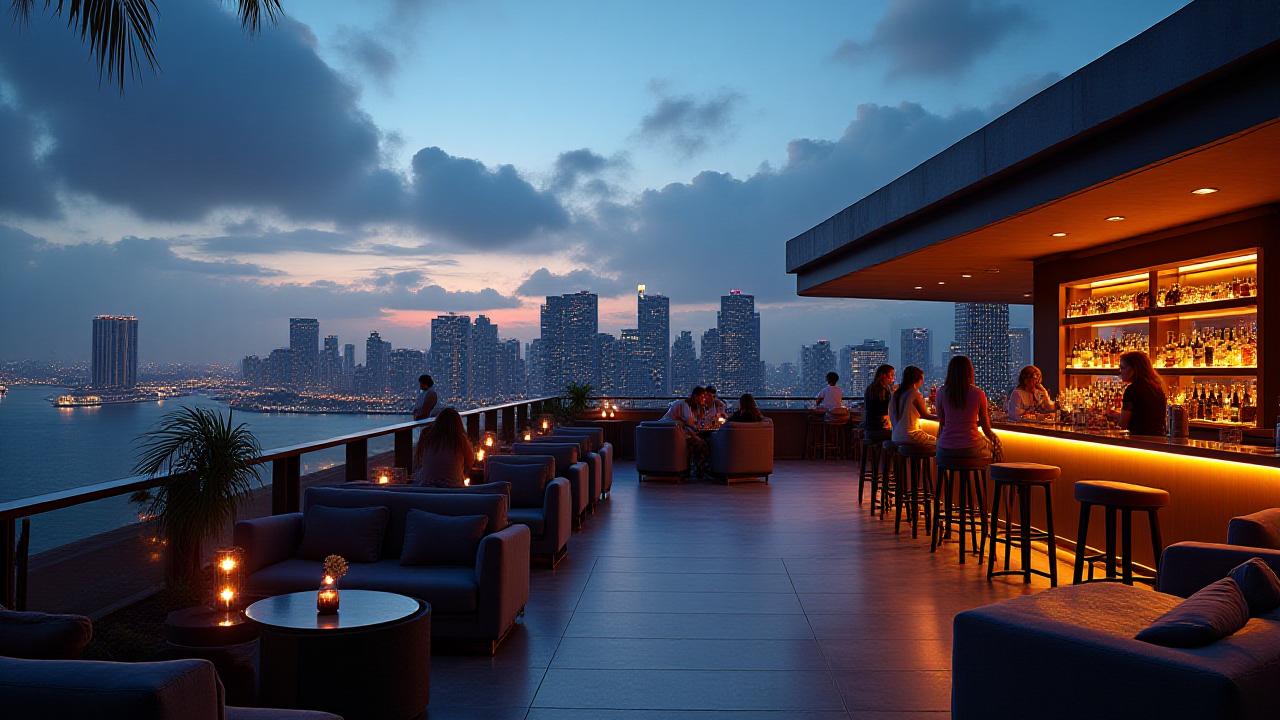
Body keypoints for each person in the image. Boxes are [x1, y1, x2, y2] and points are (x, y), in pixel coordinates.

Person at [935, 355, 999, 460]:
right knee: (993, 449)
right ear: (970, 372)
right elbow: (985, 428)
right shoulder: (978, 393)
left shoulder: (941, 392)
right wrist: (996, 441)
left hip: (945, 449)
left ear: (950, 372)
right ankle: (988, 476)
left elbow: (942, 422)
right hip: (971, 447)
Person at [413, 407, 473, 487]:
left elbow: (418, 460)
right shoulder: (460, 440)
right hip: (453, 488)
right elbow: (470, 461)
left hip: (426, 487)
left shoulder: (427, 436)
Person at [1111, 350, 1167, 435]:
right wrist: (1117, 415)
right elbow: (1143, 416)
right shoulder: (1157, 388)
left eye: (1122, 368)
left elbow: (1122, 425)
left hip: (1138, 440)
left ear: (1133, 369)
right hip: (1158, 439)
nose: (1120, 371)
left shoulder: (1132, 390)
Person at [890, 365, 936, 447]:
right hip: (910, 436)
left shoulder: (896, 394)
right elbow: (926, 415)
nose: (922, 382)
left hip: (895, 437)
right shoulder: (915, 394)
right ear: (917, 380)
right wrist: (943, 416)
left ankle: (913, 460)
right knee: (940, 442)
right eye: (922, 379)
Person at [862, 364, 896, 440]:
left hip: (869, 429)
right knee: (901, 436)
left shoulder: (870, 387)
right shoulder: (881, 390)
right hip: (878, 430)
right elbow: (885, 410)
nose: (892, 378)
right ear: (883, 375)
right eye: (891, 375)